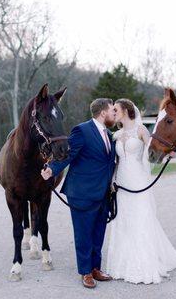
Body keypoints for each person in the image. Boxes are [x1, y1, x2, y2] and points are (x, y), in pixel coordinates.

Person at [106, 98, 176, 284]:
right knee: (123, 221)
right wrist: (112, 180)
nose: (113, 112)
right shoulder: (116, 135)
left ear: (125, 110)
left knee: (141, 218)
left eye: (116, 109)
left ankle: (144, 264)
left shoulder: (141, 131)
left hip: (139, 182)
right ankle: (122, 264)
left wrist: (168, 153)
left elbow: (153, 151)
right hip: (122, 183)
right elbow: (115, 162)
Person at [41, 98, 116, 289]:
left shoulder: (109, 133)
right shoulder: (82, 130)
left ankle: (96, 268)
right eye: (112, 110)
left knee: (98, 233)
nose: (114, 113)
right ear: (102, 112)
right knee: (83, 234)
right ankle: (85, 272)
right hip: (82, 192)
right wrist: (51, 169)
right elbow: (68, 154)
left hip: (103, 193)